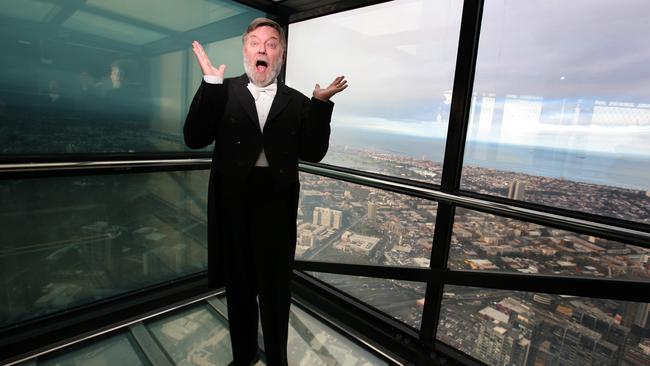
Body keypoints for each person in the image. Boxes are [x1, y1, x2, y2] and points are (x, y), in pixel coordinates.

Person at [184, 17, 347, 366]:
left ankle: (277, 361)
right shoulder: (223, 89)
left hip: (276, 204)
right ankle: (243, 359)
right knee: (239, 290)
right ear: (245, 49)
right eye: (255, 42)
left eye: (271, 43)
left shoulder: (298, 101)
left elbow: (313, 151)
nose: (263, 48)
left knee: (275, 293)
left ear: (281, 56)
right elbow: (194, 138)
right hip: (233, 203)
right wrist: (211, 82)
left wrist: (319, 104)